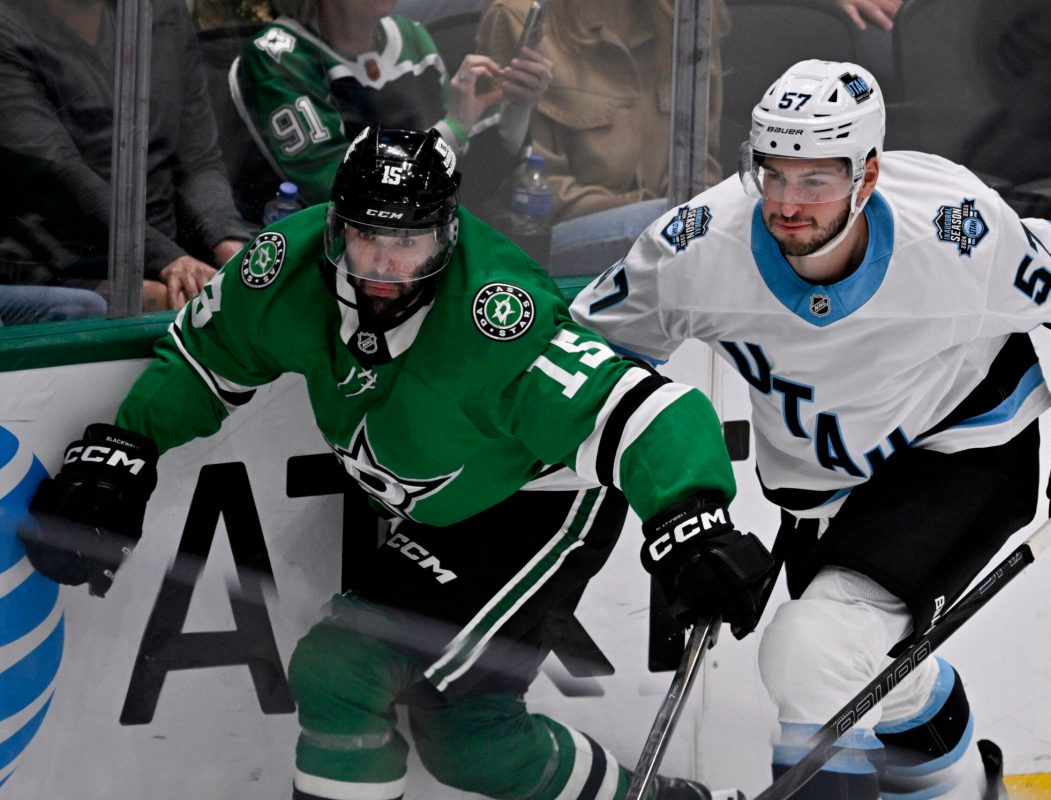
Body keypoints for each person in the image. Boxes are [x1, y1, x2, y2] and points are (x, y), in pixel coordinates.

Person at [17, 125, 775, 800]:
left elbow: (650, 410)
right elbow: (206, 358)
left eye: (409, 241)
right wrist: (126, 449)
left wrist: (694, 522)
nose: (384, 264)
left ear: (446, 235)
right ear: (334, 226)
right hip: (439, 506)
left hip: (531, 502)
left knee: (339, 672)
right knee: (469, 741)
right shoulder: (286, 264)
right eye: (366, 237)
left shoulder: (494, 317)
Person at [570, 60, 1051, 798]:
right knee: (855, 664)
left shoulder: (956, 233)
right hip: (820, 489)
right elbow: (585, 362)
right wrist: (674, 509)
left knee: (811, 652)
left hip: (964, 445)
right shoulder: (696, 251)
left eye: (815, 179)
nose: (787, 203)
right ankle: (968, 790)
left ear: (867, 174)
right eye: (772, 174)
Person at [0, 0, 251, 313]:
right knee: (202, 309)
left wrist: (233, 245)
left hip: (167, 258)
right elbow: (60, 172)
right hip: (63, 273)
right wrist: (169, 259)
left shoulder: (159, 13)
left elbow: (198, 161)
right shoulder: (8, 25)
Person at [475, 0, 730, 275]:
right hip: (554, 238)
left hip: (671, 230)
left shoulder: (689, 14)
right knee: (682, 224)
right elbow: (527, 186)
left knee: (748, 217)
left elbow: (702, 168)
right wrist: (658, 214)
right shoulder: (518, 16)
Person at [232, 0, 552, 219]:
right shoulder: (278, 54)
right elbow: (345, 193)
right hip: (331, 272)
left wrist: (517, 106)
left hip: (428, 251)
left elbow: (462, 184)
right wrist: (454, 127)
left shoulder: (412, 36)